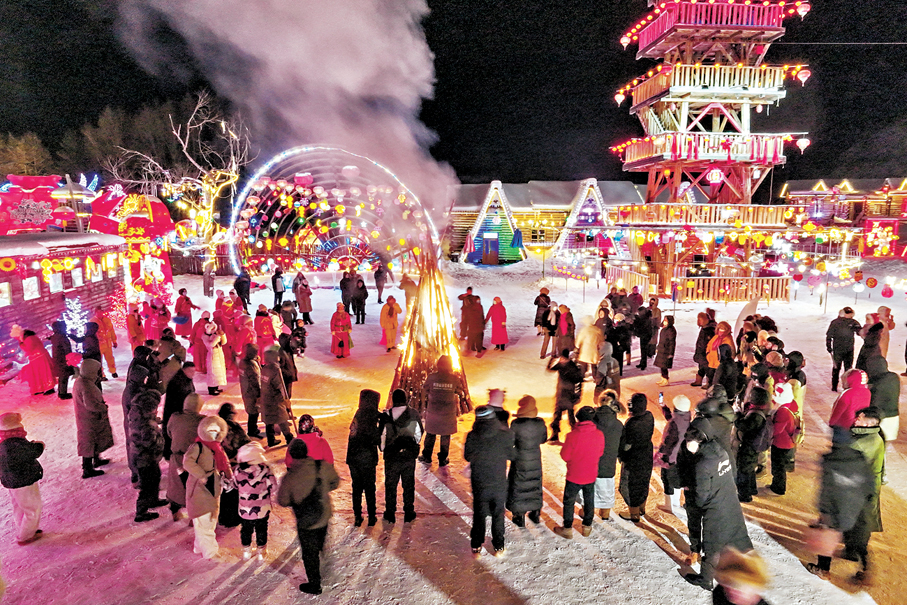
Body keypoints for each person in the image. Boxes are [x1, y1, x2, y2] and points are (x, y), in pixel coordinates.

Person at [682, 418, 753, 591]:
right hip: (729, 500)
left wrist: (693, 503)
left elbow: (701, 494)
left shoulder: (702, 463)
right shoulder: (720, 450)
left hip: (715, 508)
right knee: (737, 534)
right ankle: (749, 567)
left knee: (712, 544)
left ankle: (706, 579)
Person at [806, 427, 874, 582]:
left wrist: (824, 511)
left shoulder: (830, 460)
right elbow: (869, 484)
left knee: (826, 536)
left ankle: (823, 569)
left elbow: (827, 490)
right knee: (859, 539)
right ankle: (865, 569)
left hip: (836, 509)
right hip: (858, 508)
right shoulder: (860, 457)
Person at [278, 439, 341, 595]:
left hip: (306, 520)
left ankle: (315, 584)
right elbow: (335, 482)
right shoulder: (322, 466)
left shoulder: (289, 477)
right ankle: (321, 554)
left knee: (309, 552)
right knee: (320, 536)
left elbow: (283, 500)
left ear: (292, 455)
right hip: (323, 513)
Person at [465, 405, 515, 557]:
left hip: (479, 481)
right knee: (498, 514)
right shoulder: (504, 435)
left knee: (479, 514)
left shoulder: (472, 436)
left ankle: (476, 545)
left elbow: (467, 456)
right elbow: (512, 455)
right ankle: (498, 546)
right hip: (498, 481)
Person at [845, 407, 885, 584]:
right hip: (861, 488)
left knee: (860, 528)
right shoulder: (868, 435)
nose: (856, 419)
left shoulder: (868, 441)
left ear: (869, 422)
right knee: (855, 524)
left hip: (862, 490)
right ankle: (851, 551)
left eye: (860, 418)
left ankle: (866, 567)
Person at [184, 415, 232, 561]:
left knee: (209, 519)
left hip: (213, 488)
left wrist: (228, 478)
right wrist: (202, 475)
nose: (213, 434)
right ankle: (210, 552)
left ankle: (199, 546)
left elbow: (224, 465)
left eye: (216, 431)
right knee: (204, 519)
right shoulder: (197, 447)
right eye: (210, 430)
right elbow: (187, 462)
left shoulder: (217, 449)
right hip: (200, 489)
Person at [554, 406, 604, 539]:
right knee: (589, 500)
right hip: (590, 474)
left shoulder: (572, 436)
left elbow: (565, 455)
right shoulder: (599, 434)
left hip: (574, 474)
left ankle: (567, 528)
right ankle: (587, 526)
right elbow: (600, 452)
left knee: (569, 501)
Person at [0, 413, 44, 546]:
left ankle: (24, 529)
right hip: (24, 480)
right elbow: (31, 452)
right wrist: (39, 445)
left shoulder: (5, 443)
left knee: (19, 507)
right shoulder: (15, 444)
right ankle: (25, 535)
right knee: (33, 508)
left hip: (12, 481)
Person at [381, 389, 422, 523]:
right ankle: (409, 512)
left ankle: (390, 512)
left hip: (392, 456)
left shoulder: (386, 415)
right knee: (408, 484)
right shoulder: (414, 413)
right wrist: (410, 445)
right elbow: (419, 433)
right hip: (408, 456)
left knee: (391, 485)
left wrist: (384, 449)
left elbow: (382, 436)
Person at [506, 395, 547, 527]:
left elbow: (510, 441)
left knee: (518, 485)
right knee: (534, 484)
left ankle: (519, 516)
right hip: (535, 458)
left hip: (520, 458)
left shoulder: (516, 424)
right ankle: (535, 513)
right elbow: (543, 439)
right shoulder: (540, 423)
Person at [233, 442, 277, 561]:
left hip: (244, 508)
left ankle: (246, 551)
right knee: (261, 528)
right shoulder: (265, 469)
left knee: (246, 529)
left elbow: (235, 485)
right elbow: (273, 487)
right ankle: (261, 552)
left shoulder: (237, 470)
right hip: (262, 508)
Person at [419, 355, 466, 468]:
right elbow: (460, 391)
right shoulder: (454, 378)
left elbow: (425, 389)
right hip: (448, 412)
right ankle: (443, 459)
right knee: (445, 436)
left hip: (434, 411)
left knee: (430, 434)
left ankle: (427, 456)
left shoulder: (431, 377)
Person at [128, 387, 167, 522]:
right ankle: (141, 511)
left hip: (144, 457)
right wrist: (162, 440)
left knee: (155, 478)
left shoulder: (139, 414)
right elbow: (150, 442)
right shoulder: (146, 425)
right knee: (147, 484)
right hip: (144, 458)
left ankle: (153, 499)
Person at [72, 359, 114, 479]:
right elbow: (91, 404)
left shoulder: (82, 381)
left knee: (93, 439)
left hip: (86, 417)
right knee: (88, 441)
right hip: (89, 418)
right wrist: (102, 407)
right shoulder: (86, 385)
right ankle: (87, 468)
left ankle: (96, 459)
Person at [346, 389, 382, 527]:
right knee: (369, 487)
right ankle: (371, 516)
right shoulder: (370, 416)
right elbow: (375, 438)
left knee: (356, 487)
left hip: (353, 459)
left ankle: (357, 516)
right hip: (366, 459)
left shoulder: (359, 413)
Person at [166, 394, 205, 520]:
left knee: (176, 487)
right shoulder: (202, 421)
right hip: (193, 460)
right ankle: (193, 517)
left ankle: (175, 512)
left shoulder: (175, 417)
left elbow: (169, 432)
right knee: (193, 489)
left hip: (176, 458)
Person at [618, 393, 654, 522]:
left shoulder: (632, 423)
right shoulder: (649, 416)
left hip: (634, 457)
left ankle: (634, 514)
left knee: (631, 485)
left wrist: (621, 455)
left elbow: (627, 443)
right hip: (647, 453)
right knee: (644, 481)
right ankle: (641, 508)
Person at [656, 394, 691, 516]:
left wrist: (660, 453)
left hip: (671, 457)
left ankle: (669, 505)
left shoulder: (673, 424)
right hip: (681, 457)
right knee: (676, 479)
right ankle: (675, 503)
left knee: (667, 479)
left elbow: (668, 442)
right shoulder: (686, 419)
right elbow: (673, 419)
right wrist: (663, 407)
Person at [217, 403, 250, 528]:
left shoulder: (216, 427)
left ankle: (223, 517)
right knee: (234, 491)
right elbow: (245, 442)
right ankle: (233, 518)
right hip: (234, 464)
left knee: (224, 491)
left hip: (219, 464)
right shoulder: (234, 426)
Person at [734, 386, 771, 503]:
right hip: (754, 446)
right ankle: (752, 489)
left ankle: (744, 495)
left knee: (743, 470)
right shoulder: (761, 410)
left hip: (749, 446)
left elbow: (742, 426)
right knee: (749, 469)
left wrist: (737, 415)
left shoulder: (755, 415)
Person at [592, 390, 624, 520]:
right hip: (609, 462)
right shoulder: (618, 425)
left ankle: (586, 510)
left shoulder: (592, 422)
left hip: (592, 462)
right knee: (606, 487)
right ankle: (604, 513)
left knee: (589, 488)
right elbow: (622, 445)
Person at [546, 350, 584, 442]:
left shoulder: (573, 367)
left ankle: (574, 434)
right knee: (558, 415)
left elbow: (579, 381)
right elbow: (550, 369)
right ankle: (555, 434)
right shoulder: (561, 364)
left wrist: (578, 395)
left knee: (570, 416)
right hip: (561, 394)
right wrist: (551, 360)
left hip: (569, 395)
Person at [261, 348, 295, 447]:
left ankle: (270, 439)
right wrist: (284, 399)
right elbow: (280, 386)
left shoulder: (264, 368)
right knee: (282, 418)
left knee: (269, 419)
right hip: (275, 399)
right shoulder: (276, 370)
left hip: (265, 396)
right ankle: (289, 438)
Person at [769, 383, 799, 496]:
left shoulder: (782, 411)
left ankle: (778, 488)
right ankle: (776, 485)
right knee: (780, 466)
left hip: (781, 443)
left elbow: (777, 430)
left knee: (778, 467)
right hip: (788, 442)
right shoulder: (791, 404)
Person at [865, 357, 901, 451]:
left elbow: (874, 402)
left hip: (880, 420)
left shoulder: (876, 382)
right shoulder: (894, 377)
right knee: (882, 451)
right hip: (893, 417)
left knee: (874, 450)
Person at [162, 362, 196, 458]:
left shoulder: (186, 379)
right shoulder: (178, 382)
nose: (193, 373)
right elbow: (179, 400)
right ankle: (169, 453)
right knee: (173, 434)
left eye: (194, 371)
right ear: (184, 370)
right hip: (176, 412)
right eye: (190, 371)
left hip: (180, 413)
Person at [826, 307, 861, 392]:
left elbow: (860, 332)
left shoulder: (853, 322)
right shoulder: (835, 322)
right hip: (838, 349)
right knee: (836, 368)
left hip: (848, 349)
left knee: (848, 369)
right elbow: (829, 335)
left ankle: (847, 386)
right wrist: (829, 346)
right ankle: (834, 386)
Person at [14, 327, 55, 395]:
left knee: (41, 373)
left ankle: (48, 388)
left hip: (38, 358)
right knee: (42, 372)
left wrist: (21, 344)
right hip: (39, 357)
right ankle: (43, 388)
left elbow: (29, 349)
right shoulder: (33, 337)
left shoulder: (29, 339)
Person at [238, 343, 263, 438]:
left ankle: (253, 428)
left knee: (252, 411)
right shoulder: (251, 366)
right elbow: (256, 381)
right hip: (252, 393)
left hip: (245, 390)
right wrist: (259, 395)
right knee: (254, 412)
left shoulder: (242, 362)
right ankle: (252, 430)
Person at [47, 321, 74, 400]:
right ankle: (62, 393)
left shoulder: (55, 336)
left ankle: (61, 391)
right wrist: (70, 357)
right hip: (63, 359)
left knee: (62, 376)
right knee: (64, 376)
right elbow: (66, 348)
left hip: (57, 358)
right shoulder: (62, 337)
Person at [90, 307, 119, 378]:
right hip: (99, 345)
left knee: (110, 358)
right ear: (95, 313)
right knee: (99, 360)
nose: (100, 314)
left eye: (101, 312)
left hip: (108, 344)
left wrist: (114, 341)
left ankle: (113, 371)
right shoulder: (92, 322)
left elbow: (111, 331)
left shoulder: (107, 320)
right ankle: (101, 374)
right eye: (98, 312)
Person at [706, 321, 735, 389]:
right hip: (711, 362)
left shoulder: (728, 339)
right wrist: (708, 354)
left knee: (717, 380)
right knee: (710, 377)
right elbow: (709, 345)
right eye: (720, 328)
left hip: (720, 363)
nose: (721, 330)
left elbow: (731, 351)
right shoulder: (716, 337)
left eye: (723, 328)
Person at [201, 323, 227, 396]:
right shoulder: (205, 336)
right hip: (212, 356)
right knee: (213, 373)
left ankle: (216, 387)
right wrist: (217, 338)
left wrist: (222, 335)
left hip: (219, 355)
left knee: (219, 372)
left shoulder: (215, 334)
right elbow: (210, 345)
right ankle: (211, 389)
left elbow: (224, 342)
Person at [654, 315, 677, 386]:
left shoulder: (671, 330)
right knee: (662, 366)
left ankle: (666, 379)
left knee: (664, 366)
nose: (664, 322)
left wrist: (671, 353)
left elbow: (672, 342)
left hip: (666, 351)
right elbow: (661, 340)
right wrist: (658, 347)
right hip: (662, 349)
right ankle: (663, 378)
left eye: (666, 320)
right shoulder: (664, 329)